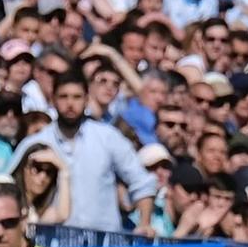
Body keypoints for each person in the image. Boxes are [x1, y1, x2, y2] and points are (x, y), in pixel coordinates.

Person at [18, 71, 157, 232]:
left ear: (86, 99)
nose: (70, 103)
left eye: (77, 97)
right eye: (64, 96)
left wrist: (144, 223)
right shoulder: (36, 142)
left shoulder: (107, 137)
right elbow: (10, 183)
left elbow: (141, 181)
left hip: (104, 242)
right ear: (53, 99)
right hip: (53, 241)